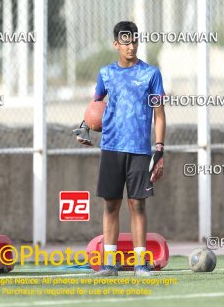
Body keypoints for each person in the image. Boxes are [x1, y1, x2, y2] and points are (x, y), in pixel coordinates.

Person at [76, 21, 166, 276]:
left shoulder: (151, 74)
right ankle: (109, 264)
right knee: (110, 205)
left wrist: (159, 149)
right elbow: (95, 108)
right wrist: (84, 128)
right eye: (125, 41)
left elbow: (159, 115)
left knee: (137, 205)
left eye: (134, 41)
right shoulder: (106, 73)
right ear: (116, 44)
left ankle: (140, 263)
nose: (131, 46)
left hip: (140, 150)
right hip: (112, 148)